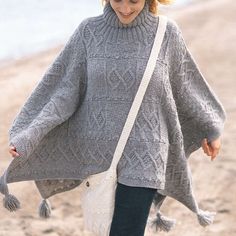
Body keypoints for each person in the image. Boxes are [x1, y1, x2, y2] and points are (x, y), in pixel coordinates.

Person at [3, 0, 226, 235]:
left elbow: (185, 87)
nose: (125, 8)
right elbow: (62, 93)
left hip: (147, 154)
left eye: (133, 1)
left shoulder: (166, 33)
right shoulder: (88, 32)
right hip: (100, 155)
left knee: (126, 230)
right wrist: (28, 135)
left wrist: (210, 128)